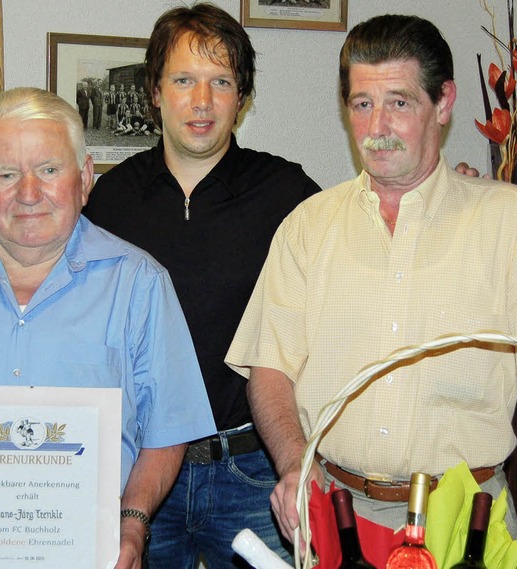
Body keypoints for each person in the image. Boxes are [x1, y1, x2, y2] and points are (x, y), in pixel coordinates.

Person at [0, 87, 216, 569]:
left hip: (94, 554)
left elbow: (168, 429)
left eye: (50, 170)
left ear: (84, 176)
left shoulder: (140, 284)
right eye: (6, 173)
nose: (29, 193)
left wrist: (133, 524)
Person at [225, 13, 517, 551]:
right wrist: (295, 464)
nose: (377, 127)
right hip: (337, 516)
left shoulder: (507, 224)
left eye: (400, 102)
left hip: (470, 522)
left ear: (445, 102)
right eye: (362, 104)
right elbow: (270, 370)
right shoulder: (308, 227)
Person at [83, 4, 321, 567]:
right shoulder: (108, 201)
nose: (202, 101)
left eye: (221, 82)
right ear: (154, 92)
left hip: (253, 472)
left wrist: (441, 200)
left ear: (242, 98)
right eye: (184, 80)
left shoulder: (288, 194)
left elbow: (362, 256)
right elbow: (37, 265)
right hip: (137, 477)